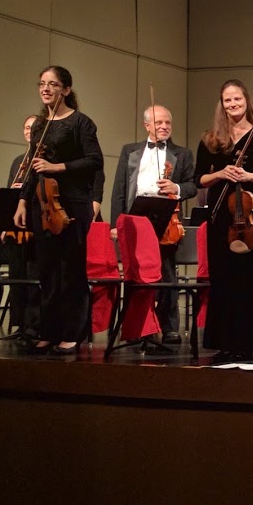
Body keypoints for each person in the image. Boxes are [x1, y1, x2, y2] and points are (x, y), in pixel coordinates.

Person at [14, 67, 103, 355]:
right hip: (42, 204)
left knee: (70, 271)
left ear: (66, 89)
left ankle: (72, 333)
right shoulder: (39, 125)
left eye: (53, 84)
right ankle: (49, 331)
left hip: (72, 203)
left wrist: (58, 167)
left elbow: (95, 161)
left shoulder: (81, 122)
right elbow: (32, 165)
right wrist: (23, 201)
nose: (46, 88)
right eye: (42, 83)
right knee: (47, 271)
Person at [195, 80, 253, 361]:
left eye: (237, 99)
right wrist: (221, 174)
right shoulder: (211, 138)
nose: (233, 104)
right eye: (228, 100)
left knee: (251, 279)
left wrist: (247, 176)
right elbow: (199, 178)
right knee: (224, 277)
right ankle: (224, 342)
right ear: (222, 104)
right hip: (221, 214)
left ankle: (249, 343)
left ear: (246, 100)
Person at [109, 103, 197, 351]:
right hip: (135, 216)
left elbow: (192, 185)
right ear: (146, 125)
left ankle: (169, 327)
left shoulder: (182, 153)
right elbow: (119, 190)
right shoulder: (129, 150)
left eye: (168, 122)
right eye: (159, 122)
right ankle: (137, 327)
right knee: (136, 273)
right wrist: (117, 224)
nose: (164, 126)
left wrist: (176, 188)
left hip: (166, 216)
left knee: (167, 272)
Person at [2, 115, 41, 341]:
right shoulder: (19, 160)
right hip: (16, 226)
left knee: (33, 274)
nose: (29, 131)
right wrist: (5, 225)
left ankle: (34, 325)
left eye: (33, 128)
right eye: (26, 127)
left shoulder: (43, 158)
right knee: (16, 275)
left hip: (35, 221)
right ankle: (19, 324)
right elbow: (10, 193)